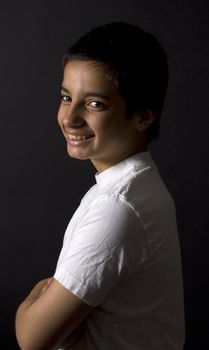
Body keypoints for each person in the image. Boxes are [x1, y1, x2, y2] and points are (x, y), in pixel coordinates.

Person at [15, 22, 185, 350]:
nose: (69, 118)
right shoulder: (138, 186)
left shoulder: (118, 207)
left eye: (95, 104)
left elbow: (32, 338)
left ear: (143, 116)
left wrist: (32, 301)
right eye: (66, 97)